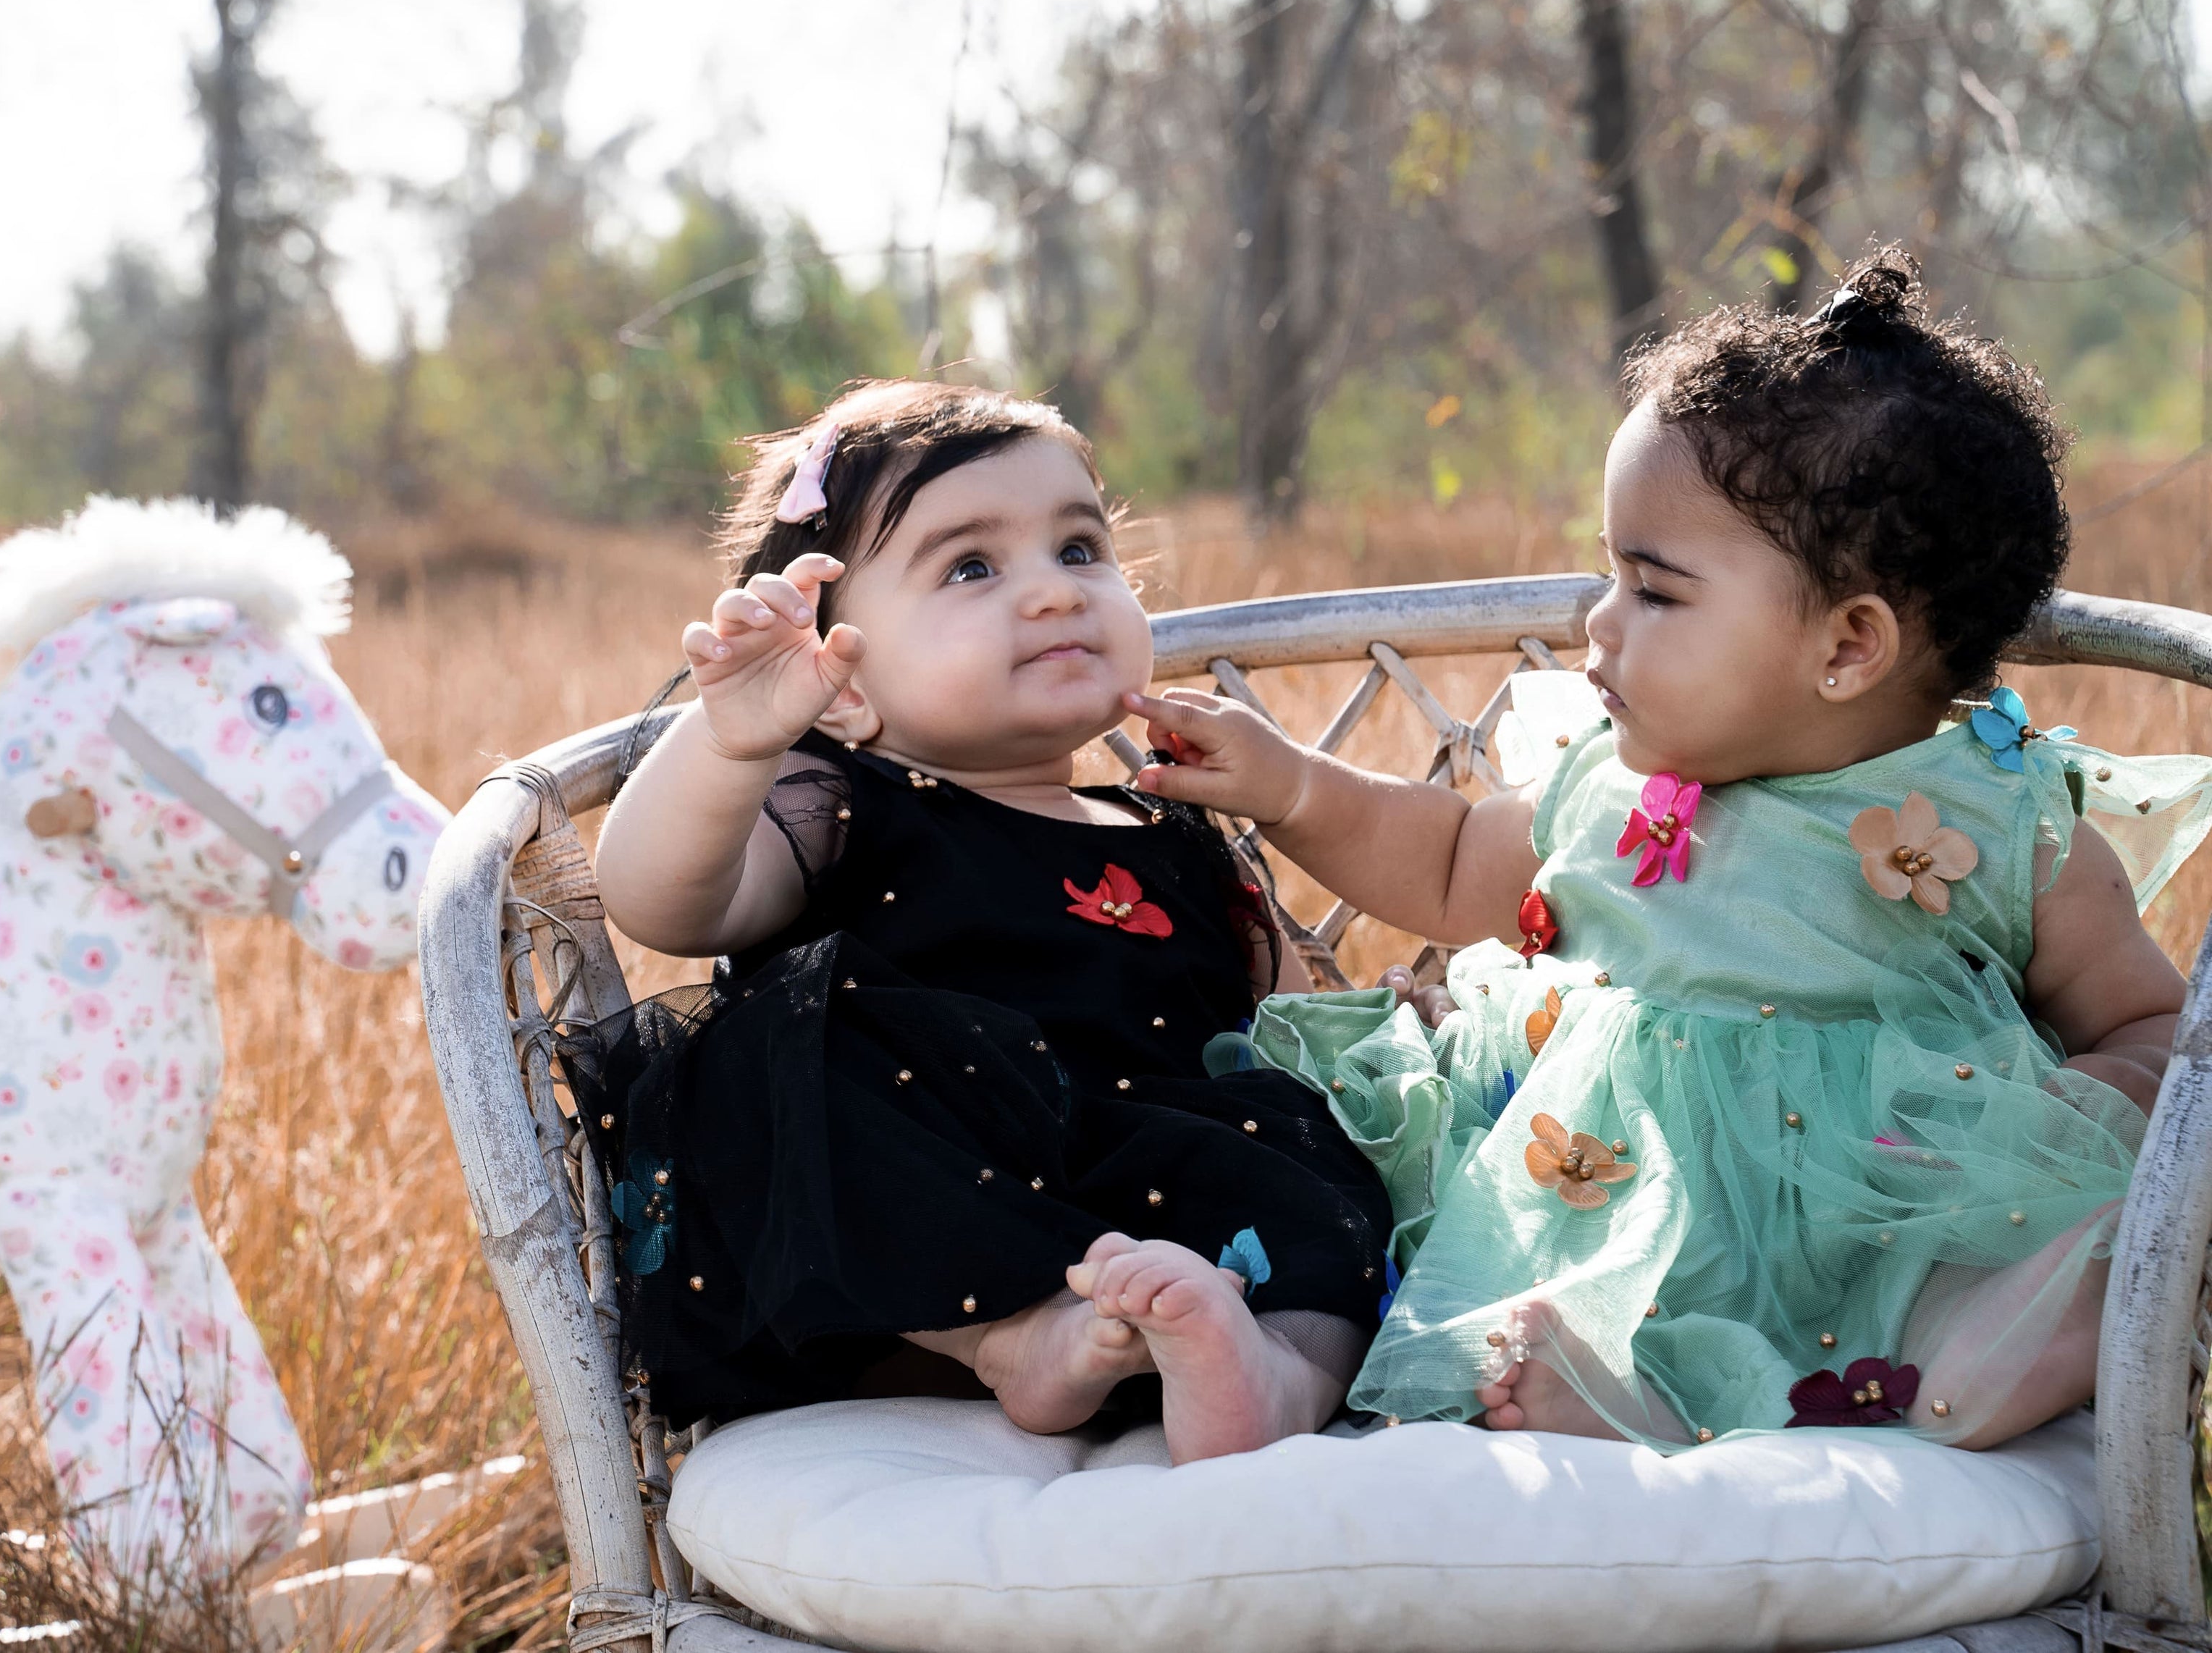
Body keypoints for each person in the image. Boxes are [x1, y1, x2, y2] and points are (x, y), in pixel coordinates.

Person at [1127, 251, 2212, 1451]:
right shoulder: (1613, 777)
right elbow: (1441, 861)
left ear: (1849, 646)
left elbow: (2149, 1022)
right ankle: (1631, 1393)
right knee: (1425, 1208)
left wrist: (2072, 1106)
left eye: (1654, 589)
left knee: (2006, 1252)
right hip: (1601, 1192)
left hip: (1881, 1210)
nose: (1598, 623)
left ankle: (2000, 1342)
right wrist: (1292, 783)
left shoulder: (2004, 824)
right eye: (1612, 573)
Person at [578, 380, 1397, 1463]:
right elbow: (659, 900)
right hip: (913, 1238)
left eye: (1080, 549)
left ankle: (1271, 1370)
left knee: (1315, 1162)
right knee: (765, 1056)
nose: (1056, 593)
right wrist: (734, 740)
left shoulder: (1172, 822)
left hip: (1165, 1196)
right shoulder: (838, 807)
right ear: (842, 683)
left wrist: (1381, 1052)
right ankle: (1009, 1336)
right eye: (972, 565)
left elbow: (1288, 1024)